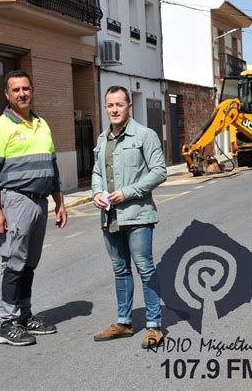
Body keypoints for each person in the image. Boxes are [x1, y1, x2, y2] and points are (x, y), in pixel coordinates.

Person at [0, 70, 68, 346]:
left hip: (40, 202)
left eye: (26, 88)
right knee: (13, 263)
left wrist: (60, 202)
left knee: (29, 263)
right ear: (7, 95)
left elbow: (52, 167)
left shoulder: (42, 124)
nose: (22, 94)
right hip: (16, 201)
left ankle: (25, 315)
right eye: (16, 90)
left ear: (32, 91)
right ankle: (7, 323)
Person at [92, 86, 167, 349]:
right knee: (120, 270)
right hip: (110, 217)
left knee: (145, 268)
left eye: (119, 105)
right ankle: (124, 322)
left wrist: (129, 192)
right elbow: (96, 172)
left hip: (137, 216)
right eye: (110, 105)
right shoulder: (102, 140)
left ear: (129, 107)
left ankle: (153, 325)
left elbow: (159, 171)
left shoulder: (145, 135)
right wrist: (95, 194)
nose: (114, 110)